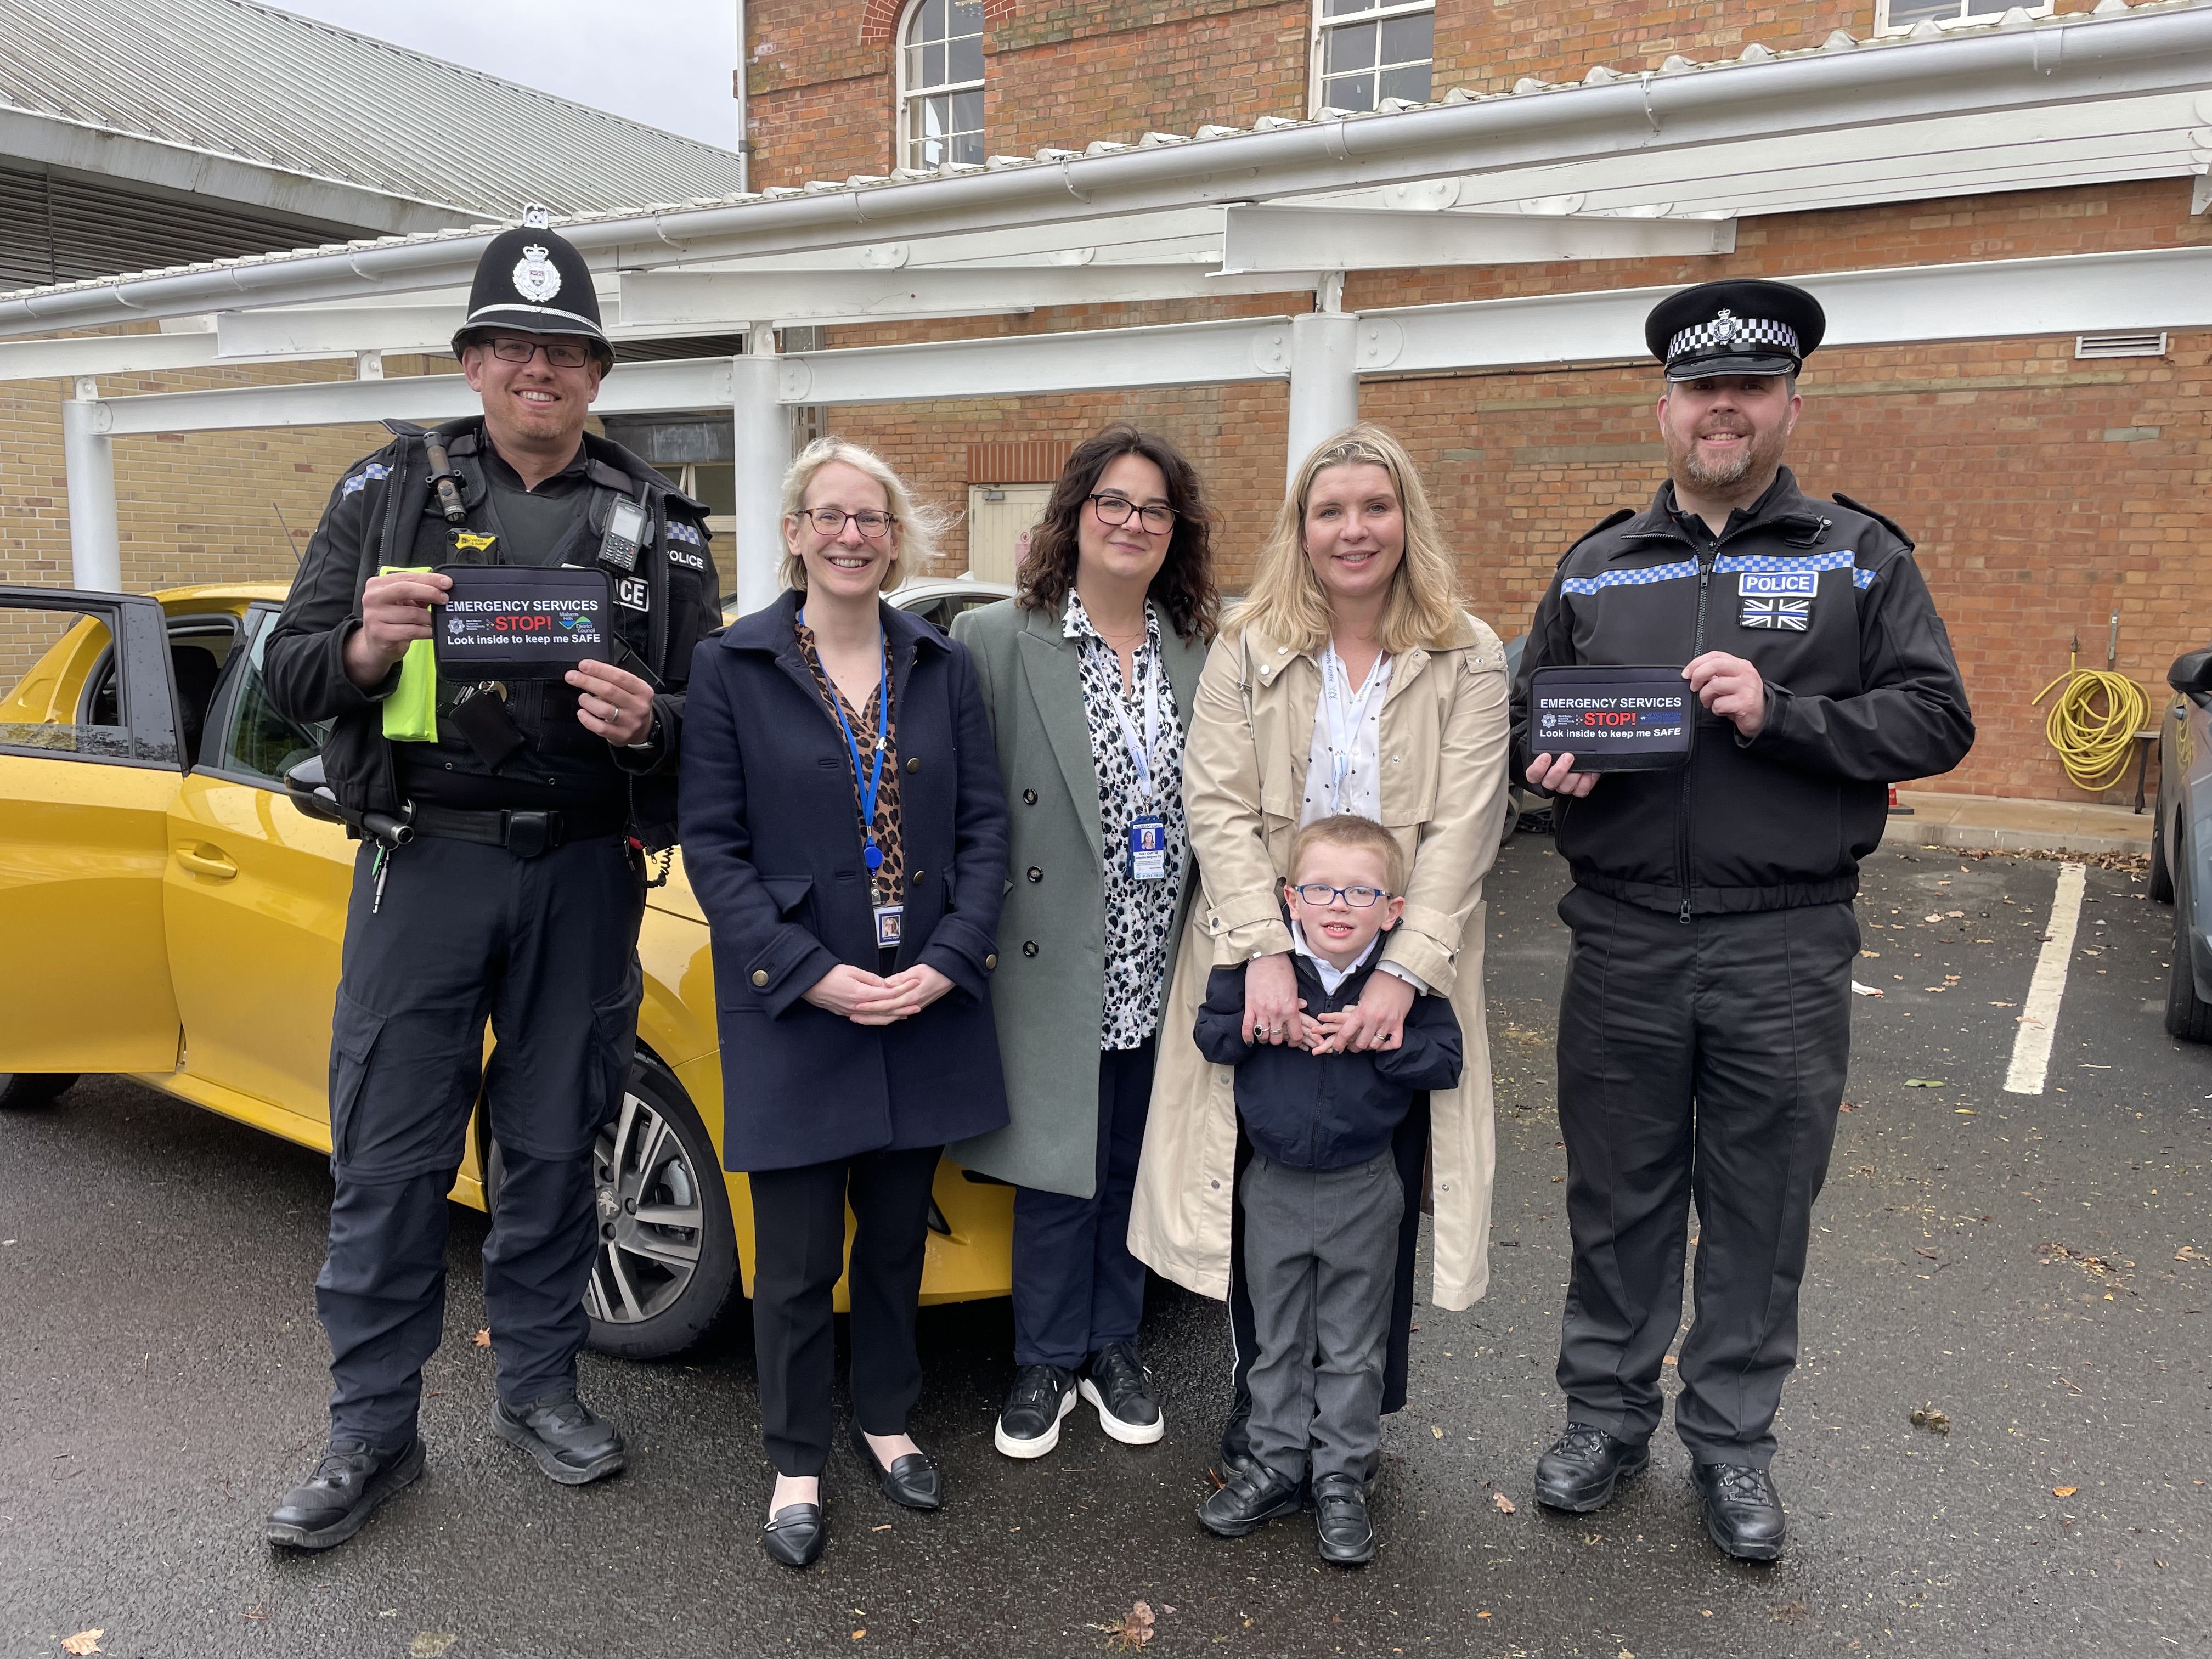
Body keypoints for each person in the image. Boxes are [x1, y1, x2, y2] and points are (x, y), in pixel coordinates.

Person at [258, 209, 720, 1550]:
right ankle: (371, 1434)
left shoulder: (663, 527)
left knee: (555, 1147)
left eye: (565, 351)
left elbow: (716, 718)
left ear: (597, 376)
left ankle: (536, 1389)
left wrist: (660, 728)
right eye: (513, 347)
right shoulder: (385, 494)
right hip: (430, 866)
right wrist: (357, 649)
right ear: (471, 362)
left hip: (584, 876)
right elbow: (289, 674)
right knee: (393, 1158)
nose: (540, 371)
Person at [1513, 278, 1973, 1562]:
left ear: (1786, 405)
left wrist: (1789, 714)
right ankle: (1604, 1420)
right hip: (1622, 937)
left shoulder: (1858, 555)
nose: (1725, 411)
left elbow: (1938, 720)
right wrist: (1546, 773)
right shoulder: (1599, 567)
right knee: (1618, 1195)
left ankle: (1732, 1448)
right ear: (1665, 409)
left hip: (1784, 937)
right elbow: (1515, 726)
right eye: (1703, 391)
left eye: (1751, 390)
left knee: (1763, 1206)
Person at [1130, 423, 1513, 1482]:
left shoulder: (1467, 653)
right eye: (1330, 510)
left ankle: (1352, 1428)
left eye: (1374, 508)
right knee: (1255, 1186)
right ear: (1301, 528)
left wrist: (1402, 973)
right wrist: (1259, 949)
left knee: (1376, 1187)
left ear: (1407, 522)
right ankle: (1264, 1417)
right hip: (1264, 957)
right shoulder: (1247, 647)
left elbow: (1469, 823)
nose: (1354, 530)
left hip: (1403, 962)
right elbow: (1214, 804)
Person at [678, 438, 1011, 1570]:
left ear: (895, 536)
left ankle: (887, 1418)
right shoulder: (732, 666)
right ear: (794, 531)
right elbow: (712, 851)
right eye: (831, 515)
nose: (852, 535)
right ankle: (794, 1459)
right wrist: (808, 970)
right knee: (796, 1260)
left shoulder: (942, 663)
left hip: (920, 993)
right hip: (801, 1000)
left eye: (871, 518)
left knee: (894, 1248)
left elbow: (984, 833)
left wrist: (953, 957)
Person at [947, 427, 1220, 1459]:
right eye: (1114, 502)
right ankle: (1045, 1357)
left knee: (1133, 1159)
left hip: (1165, 947)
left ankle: (1116, 1346)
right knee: (1058, 1165)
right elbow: (968, 806)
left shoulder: (1201, 647)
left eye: (1154, 510)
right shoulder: (996, 638)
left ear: (1174, 533)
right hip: (1049, 948)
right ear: (1075, 514)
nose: (1133, 523)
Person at [1192, 816, 1463, 1564]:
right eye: (1319, 889)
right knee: (1276, 1339)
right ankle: (1276, 1465)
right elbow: (1212, 1036)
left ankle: (1343, 1476)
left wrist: (1384, 1040)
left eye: (1360, 891)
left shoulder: (1402, 988)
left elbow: (1445, 1059)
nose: (1337, 905)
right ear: (1290, 899)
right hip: (1272, 1186)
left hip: (1366, 1188)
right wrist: (1260, 1025)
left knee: (1352, 1345)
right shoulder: (1259, 970)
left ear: (1393, 910)